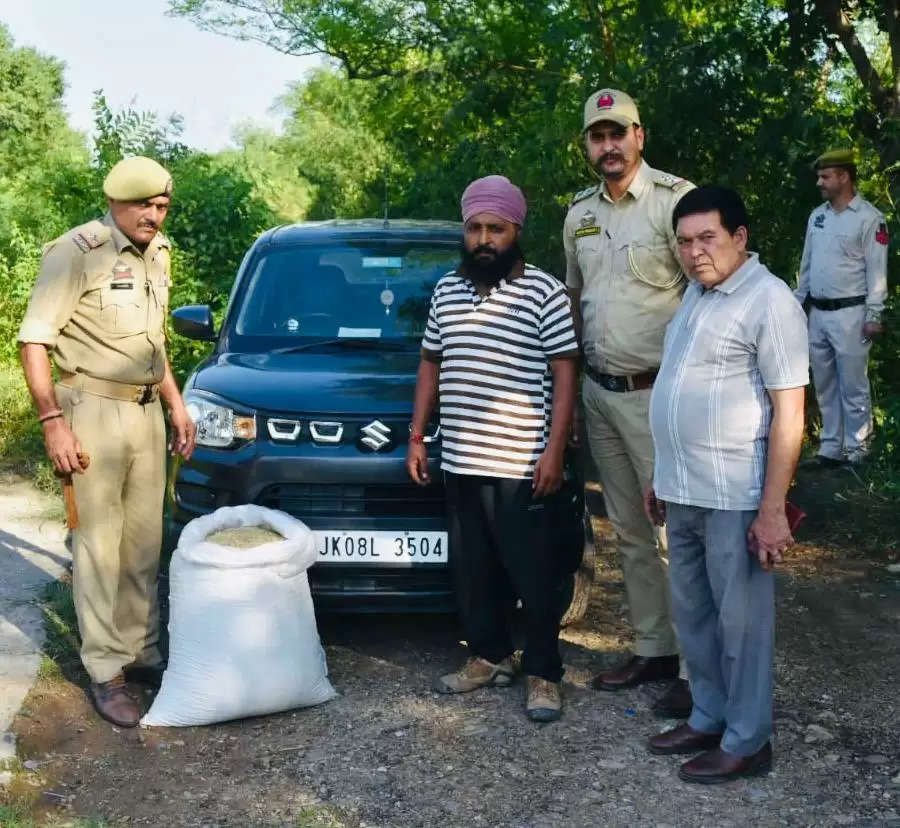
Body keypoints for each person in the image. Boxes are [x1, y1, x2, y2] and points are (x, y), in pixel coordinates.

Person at [18, 156, 196, 728]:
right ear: (119, 201)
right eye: (145, 205)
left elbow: (153, 341)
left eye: (162, 206)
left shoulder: (158, 254)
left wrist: (175, 402)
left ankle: (141, 652)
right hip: (89, 410)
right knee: (97, 545)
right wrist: (52, 421)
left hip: (145, 413)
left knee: (145, 543)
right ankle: (105, 670)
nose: (154, 216)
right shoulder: (76, 251)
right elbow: (35, 342)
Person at [645, 186, 808, 783]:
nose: (694, 252)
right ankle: (709, 714)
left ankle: (749, 739)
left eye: (706, 238)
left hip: (736, 495)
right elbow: (677, 391)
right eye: (684, 242)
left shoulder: (770, 301)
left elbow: (791, 411)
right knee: (694, 617)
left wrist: (771, 511)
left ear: (740, 237)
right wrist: (661, 476)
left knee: (742, 627)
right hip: (683, 489)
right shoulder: (695, 295)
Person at [407, 175, 579, 722]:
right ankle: (489, 657)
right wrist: (417, 434)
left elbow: (565, 372)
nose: (484, 239)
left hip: (523, 463)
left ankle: (545, 675)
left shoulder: (544, 292)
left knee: (535, 574)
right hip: (460, 457)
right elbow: (430, 362)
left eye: (495, 229)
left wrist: (554, 452)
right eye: (476, 228)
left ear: (516, 231)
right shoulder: (446, 291)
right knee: (473, 570)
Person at [563, 87, 694, 717]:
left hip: (660, 395)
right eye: (597, 136)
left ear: (640, 135)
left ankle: (699, 671)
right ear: (587, 145)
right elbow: (573, 299)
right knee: (631, 534)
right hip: (600, 393)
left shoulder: (676, 201)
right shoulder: (579, 214)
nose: (608, 146)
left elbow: (711, 293)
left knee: (677, 535)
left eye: (618, 133)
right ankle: (654, 649)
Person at [795, 149, 888, 466]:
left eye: (825, 176)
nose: (819, 182)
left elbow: (877, 270)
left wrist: (874, 315)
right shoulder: (816, 216)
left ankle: (857, 450)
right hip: (817, 313)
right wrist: (797, 303)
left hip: (852, 314)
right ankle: (830, 449)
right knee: (824, 382)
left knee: (853, 385)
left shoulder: (869, 218)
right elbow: (806, 265)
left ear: (844, 176)